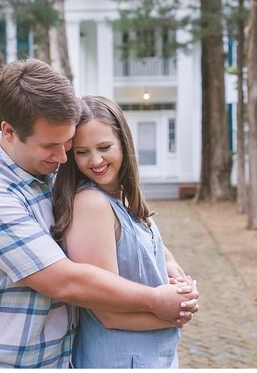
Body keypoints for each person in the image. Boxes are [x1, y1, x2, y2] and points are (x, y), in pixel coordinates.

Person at [0, 59, 198, 368]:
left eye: (68, 143)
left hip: (54, 361)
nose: (63, 157)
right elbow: (65, 281)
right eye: (51, 145)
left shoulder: (52, 169)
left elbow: (124, 220)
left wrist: (166, 259)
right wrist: (157, 302)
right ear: (9, 131)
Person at [51, 95, 185, 368]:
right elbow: (107, 313)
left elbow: (138, 242)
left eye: (104, 147)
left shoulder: (121, 197)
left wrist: (170, 264)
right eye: (82, 152)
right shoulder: (91, 204)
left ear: (124, 143)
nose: (95, 160)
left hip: (149, 356)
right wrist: (177, 313)